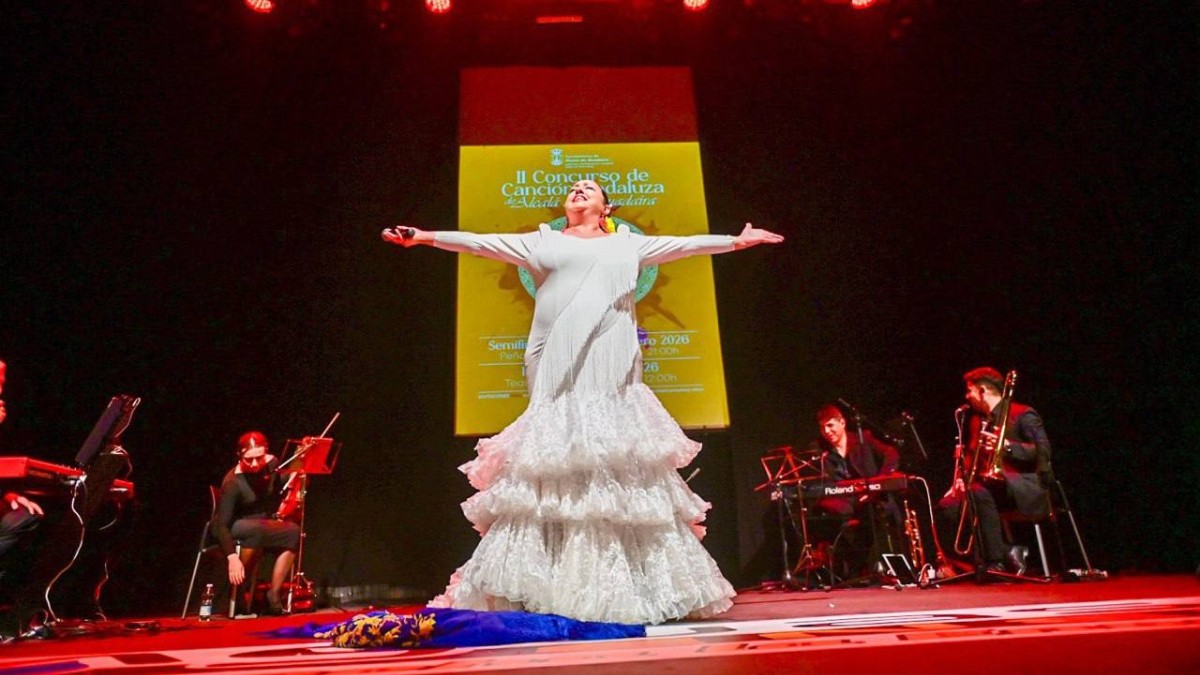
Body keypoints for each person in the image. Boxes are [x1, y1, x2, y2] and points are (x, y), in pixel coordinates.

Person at [382, 179, 783, 625]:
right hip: (553, 355)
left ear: (605, 206)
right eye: (574, 187)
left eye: (589, 188)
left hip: (610, 356)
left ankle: (628, 584)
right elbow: (480, 243)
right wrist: (424, 237)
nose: (579, 190)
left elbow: (686, 246)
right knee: (556, 456)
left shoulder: (627, 245)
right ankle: (544, 582)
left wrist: (738, 241)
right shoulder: (541, 241)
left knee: (608, 450)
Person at [938, 367, 1051, 574]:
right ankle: (1007, 551)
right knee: (949, 505)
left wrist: (1007, 446)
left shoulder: (1022, 414)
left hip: (1022, 485)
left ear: (982, 391)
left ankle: (995, 563)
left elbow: (1043, 451)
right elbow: (973, 456)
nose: (967, 396)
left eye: (969, 390)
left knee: (977, 493)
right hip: (987, 488)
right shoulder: (977, 421)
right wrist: (962, 480)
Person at [212, 431, 299, 615]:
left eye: (259, 458)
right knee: (258, 530)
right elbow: (222, 525)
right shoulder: (232, 482)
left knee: (293, 531)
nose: (254, 464)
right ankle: (239, 593)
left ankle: (273, 595)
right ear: (239, 456)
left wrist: (301, 455)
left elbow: (284, 479)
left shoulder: (271, 464)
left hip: (260, 523)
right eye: (248, 459)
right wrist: (232, 557)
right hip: (233, 524)